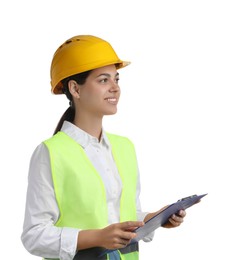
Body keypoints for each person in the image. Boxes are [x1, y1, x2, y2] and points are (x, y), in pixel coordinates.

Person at [21, 35, 186, 260]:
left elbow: (124, 215)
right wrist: (97, 237)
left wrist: (155, 218)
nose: (115, 88)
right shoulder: (50, 153)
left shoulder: (125, 147)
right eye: (103, 80)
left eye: (116, 79)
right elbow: (35, 235)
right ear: (75, 89)